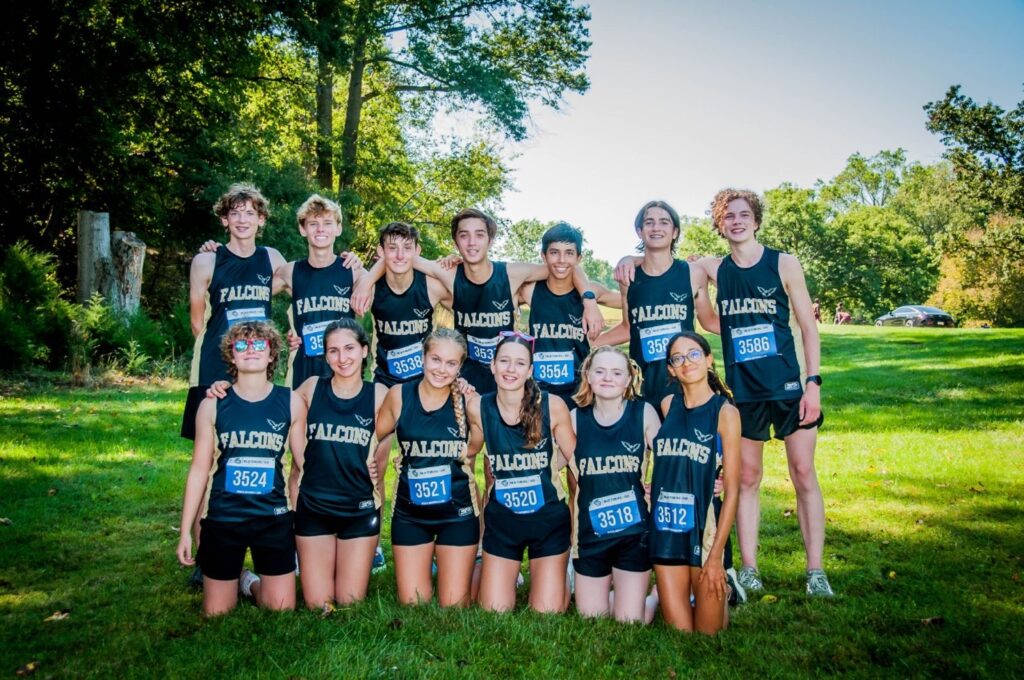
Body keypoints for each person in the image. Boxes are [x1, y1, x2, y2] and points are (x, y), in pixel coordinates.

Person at [697, 189, 833, 597]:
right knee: (749, 477)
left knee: (804, 473)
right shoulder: (714, 267)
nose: (736, 221)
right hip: (745, 392)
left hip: (790, 386)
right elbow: (710, 322)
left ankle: (816, 571)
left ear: (756, 221)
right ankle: (751, 568)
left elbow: (808, 327)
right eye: (728, 216)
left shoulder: (783, 263)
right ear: (720, 225)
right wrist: (701, 288)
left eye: (743, 215)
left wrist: (813, 383)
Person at [352, 208, 605, 394]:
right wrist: (366, 280)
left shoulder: (511, 273)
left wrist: (590, 302)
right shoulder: (448, 274)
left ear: (490, 240)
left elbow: (563, 265)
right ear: (456, 241)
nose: (472, 242)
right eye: (464, 236)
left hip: (506, 374)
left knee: (501, 447)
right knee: (467, 447)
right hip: (467, 376)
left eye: (479, 235)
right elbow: (396, 258)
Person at [176, 321, 298, 616]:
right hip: (224, 518)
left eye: (259, 345)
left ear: (272, 355)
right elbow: (198, 471)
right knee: (217, 613)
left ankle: (248, 582)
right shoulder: (212, 405)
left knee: (280, 608)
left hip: (272, 518)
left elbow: (303, 465)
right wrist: (185, 532)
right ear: (231, 355)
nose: (250, 351)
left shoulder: (291, 401)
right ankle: (237, 575)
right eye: (241, 346)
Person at [375, 329, 484, 607]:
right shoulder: (399, 395)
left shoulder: (470, 401)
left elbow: (474, 450)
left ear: (460, 367)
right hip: (411, 515)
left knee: (455, 605)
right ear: (422, 358)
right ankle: (434, 560)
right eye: (436, 359)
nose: (441, 369)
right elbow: (375, 435)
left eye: (451, 363)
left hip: (457, 514)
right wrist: (371, 465)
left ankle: (481, 563)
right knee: (413, 602)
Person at [469, 331, 576, 613]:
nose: (510, 369)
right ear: (492, 365)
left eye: (519, 363)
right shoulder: (477, 407)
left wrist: (550, 468)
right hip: (503, 520)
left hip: (548, 518)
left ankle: (562, 571)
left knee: (547, 613)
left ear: (530, 370)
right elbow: (469, 451)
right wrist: (413, 460)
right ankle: (498, 566)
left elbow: (575, 457)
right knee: (494, 609)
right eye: (504, 361)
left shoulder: (553, 405)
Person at [288, 318, 385, 609]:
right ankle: (250, 579)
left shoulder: (379, 395)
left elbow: (395, 433)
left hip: (358, 509)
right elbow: (268, 399)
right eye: (333, 351)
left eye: (349, 348)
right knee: (320, 604)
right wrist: (223, 388)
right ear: (325, 354)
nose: (342, 358)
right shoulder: (311, 387)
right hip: (315, 507)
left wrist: (465, 389)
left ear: (365, 350)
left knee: (349, 601)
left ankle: (365, 551)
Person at [649, 332, 740, 634]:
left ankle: (723, 584)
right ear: (671, 369)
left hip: (705, 529)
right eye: (678, 358)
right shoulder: (666, 405)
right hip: (667, 528)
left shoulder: (725, 413)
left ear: (709, 359)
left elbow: (735, 489)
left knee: (708, 635)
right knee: (681, 633)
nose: (687, 362)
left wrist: (716, 556)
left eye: (694, 354)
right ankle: (660, 594)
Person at [182, 183, 286, 440]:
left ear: (261, 220)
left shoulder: (271, 258)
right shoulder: (206, 261)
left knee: (251, 434)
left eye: (250, 213)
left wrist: (356, 268)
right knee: (209, 438)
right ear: (224, 219)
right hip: (215, 359)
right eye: (235, 213)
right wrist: (224, 354)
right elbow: (197, 323)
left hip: (257, 358)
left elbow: (310, 285)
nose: (242, 220)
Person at [568, 346, 660, 622]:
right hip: (590, 534)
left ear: (628, 380)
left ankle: (654, 596)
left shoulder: (643, 413)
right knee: (591, 618)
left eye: (616, 372)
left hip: (633, 534)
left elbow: (671, 458)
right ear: (588, 376)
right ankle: (615, 594)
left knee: (630, 622)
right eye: (600, 371)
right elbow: (548, 464)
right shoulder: (574, 419)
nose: (608, 378)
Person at [601, 200, 715, 409]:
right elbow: (628, 328)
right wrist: (587, 345)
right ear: (639, 231)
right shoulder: (629, 276)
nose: (656, 228)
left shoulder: (693, 273)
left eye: (664, 222)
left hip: (684, 381)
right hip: (643, 383)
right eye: (649, 222)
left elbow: (709, 321)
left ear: (675, 232)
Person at [519, 222, 618, 409]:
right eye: (554, 252)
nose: (561, 259)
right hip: (539, 391)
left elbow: (632, 302)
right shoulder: (529, 290)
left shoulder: (591, 291)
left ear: (579, 258)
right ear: (543, 255)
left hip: (578, 392)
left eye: (569, 253)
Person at [278, 195, 368, 389]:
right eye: (313, 224)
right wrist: (218, 253)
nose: (320, 229)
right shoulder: (290, 271)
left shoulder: (353, 270)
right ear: (303, 229)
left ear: (338, 228)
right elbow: (251, 291)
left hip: (342, 368)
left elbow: (391, 288)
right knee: (300, 419)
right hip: (304, 368)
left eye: (327, 223)